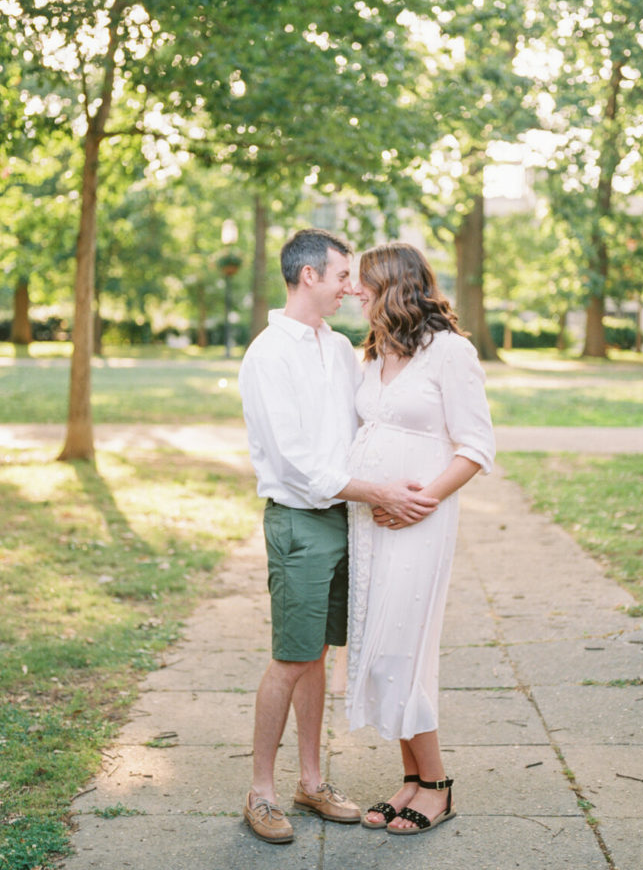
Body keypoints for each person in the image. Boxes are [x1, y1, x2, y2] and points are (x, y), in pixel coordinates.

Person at [238, 228, 438, 845]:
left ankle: (312, 780)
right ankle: (262, 792)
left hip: (343, 516)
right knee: (291, 656)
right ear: (308, 278)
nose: (351, 287)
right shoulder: (269, 355)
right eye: (342, 276)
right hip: (300, 519)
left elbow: (364, 420)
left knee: (319, 653)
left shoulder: (339, 345)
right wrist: (378, 492)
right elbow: (298, 461)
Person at [346, 241, 496, 835]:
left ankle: (436, 784)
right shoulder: (375, 354)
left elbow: (477, 447)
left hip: (421, 520)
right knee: (380, 650)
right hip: (372, 521)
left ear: (393, 286)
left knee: (402, 649)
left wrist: (420, 500)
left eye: (364, 281)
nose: (355, 290)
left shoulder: (450, 353)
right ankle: (409, 778)